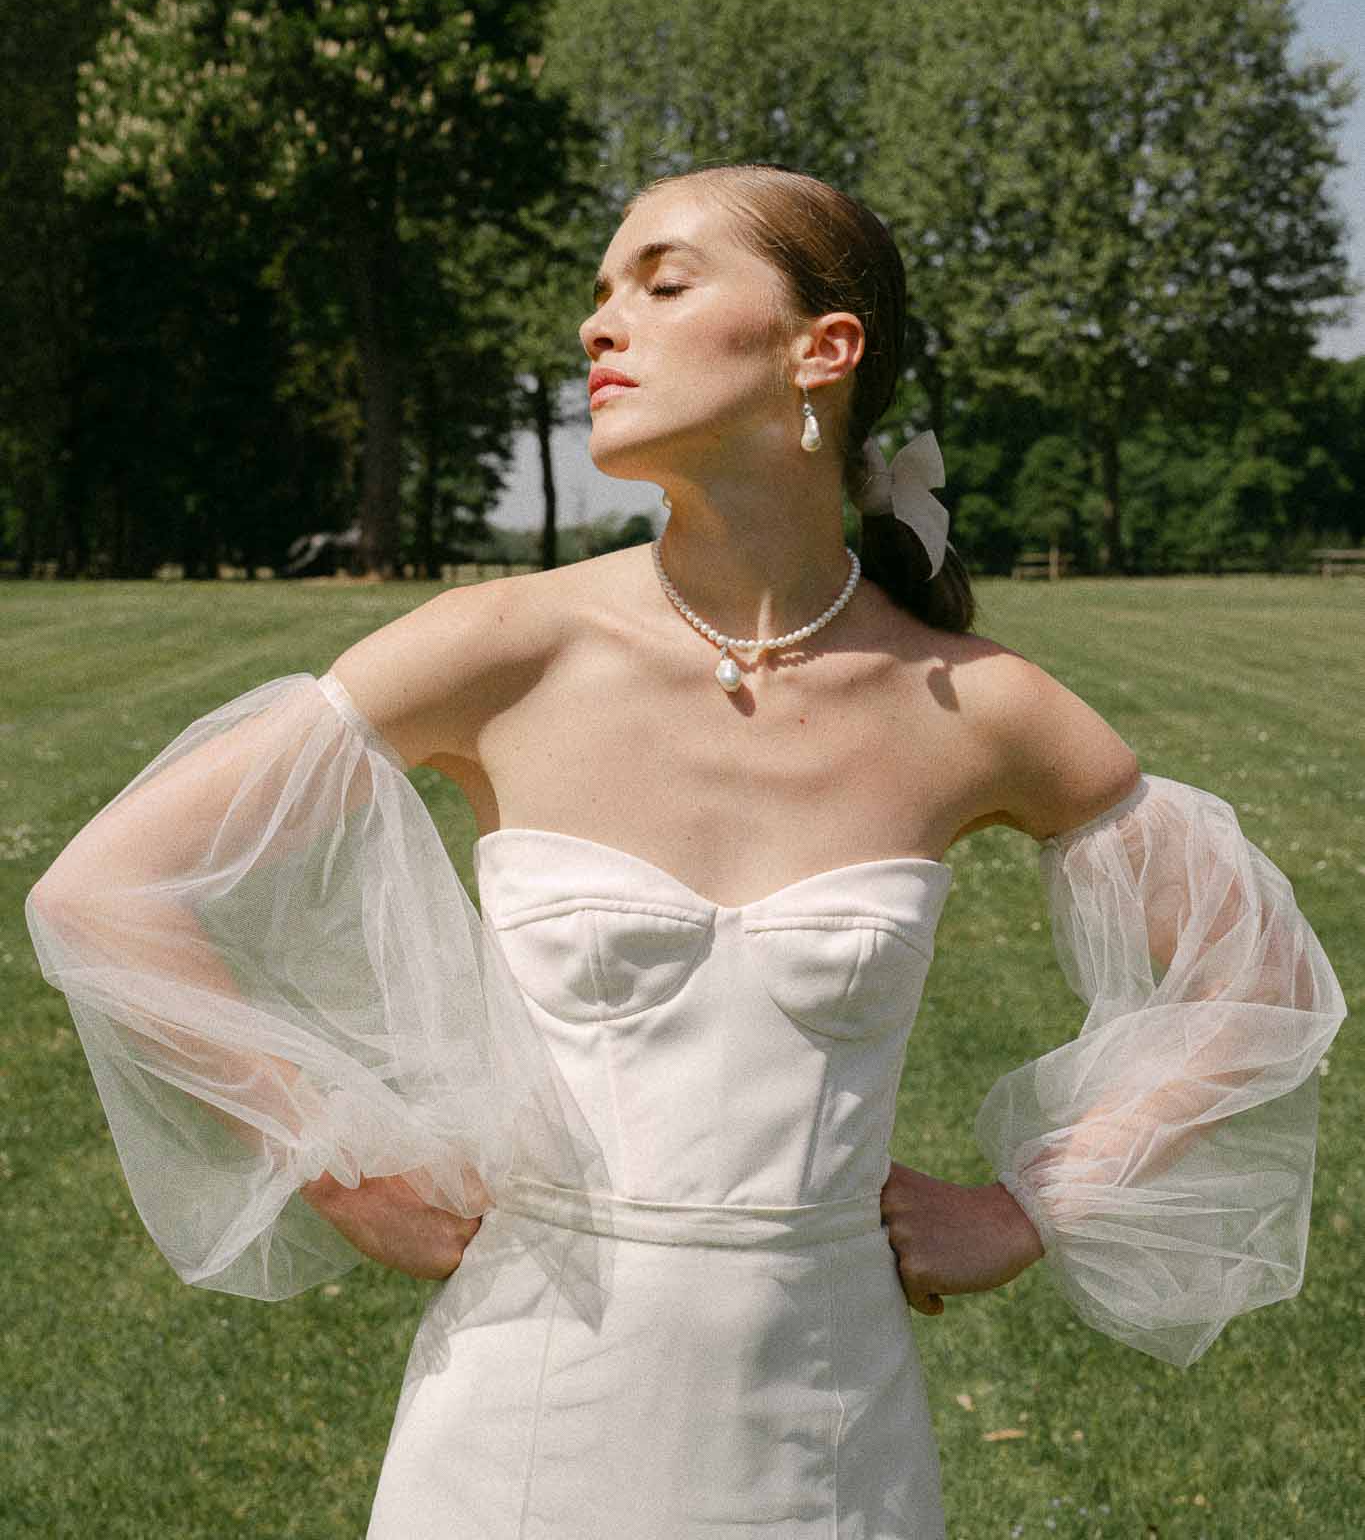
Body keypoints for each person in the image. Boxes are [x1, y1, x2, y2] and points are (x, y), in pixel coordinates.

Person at [27, 163, 1345, 1539]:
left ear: (818, 351)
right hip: (520, 1414)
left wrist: (1030, 1204)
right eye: (598, 295)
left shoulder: (976, 706)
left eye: (660, 284)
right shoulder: (501, 647)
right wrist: (332, 1158)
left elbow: (1255, 982)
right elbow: (107, 891)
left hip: (825, 1431)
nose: (600, 326)